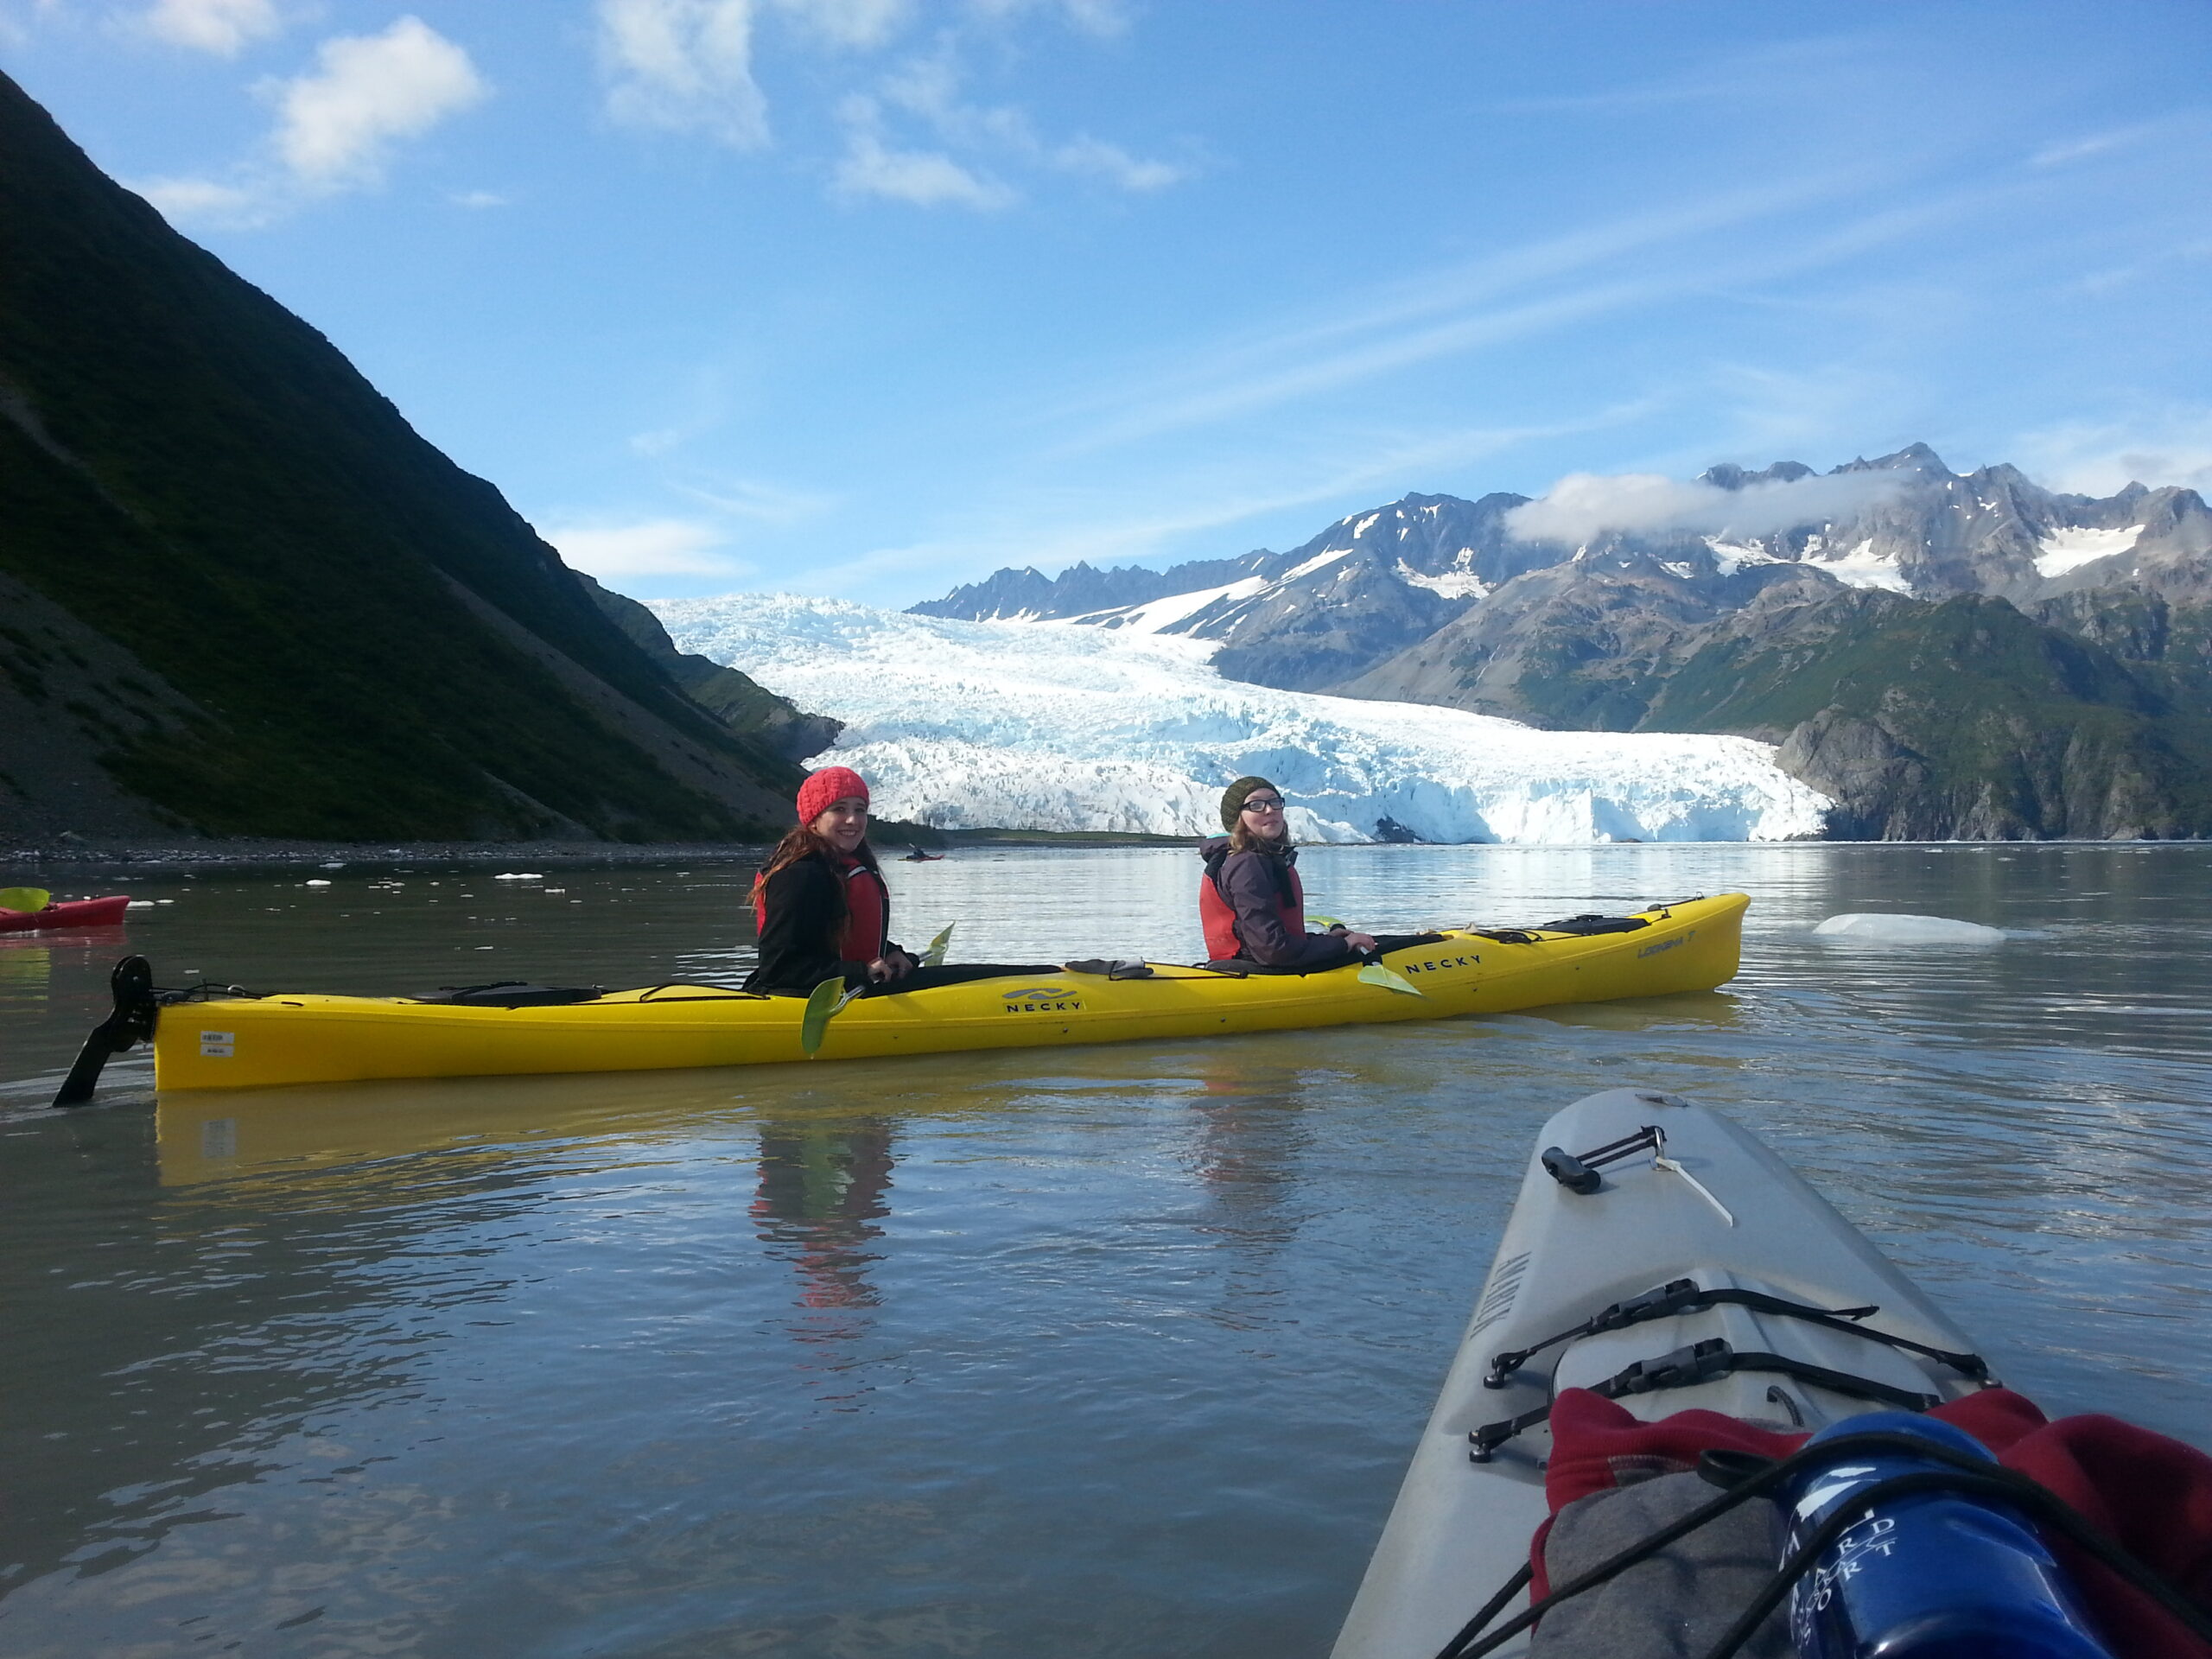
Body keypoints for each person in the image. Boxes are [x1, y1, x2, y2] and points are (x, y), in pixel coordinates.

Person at [745, 766, 1056, 995]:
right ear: (814, 819)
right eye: (839, 810)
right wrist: (860, 971)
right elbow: (780, 968)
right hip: (817, 998)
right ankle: (1055, 982)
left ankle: (1053, 973)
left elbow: (833, 931)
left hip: (849, 988)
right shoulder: (800, 874)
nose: (853, 820)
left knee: (981, 974)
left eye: (860, 810)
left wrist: (890, 951)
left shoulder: (834, 865)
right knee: (980, 980)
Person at [1198, 776, 1442, 972]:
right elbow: (1273, 949)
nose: (1270, 810)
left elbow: (1266, 937)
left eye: (1274, 802)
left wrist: (1329, 940)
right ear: (1237, 818)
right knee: (1398, 946)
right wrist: (1343, 945)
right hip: (1264, 968)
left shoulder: (1250, 859)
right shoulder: (1247, 865)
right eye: (1256, 805)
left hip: (1251, 961)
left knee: (1379, 940)